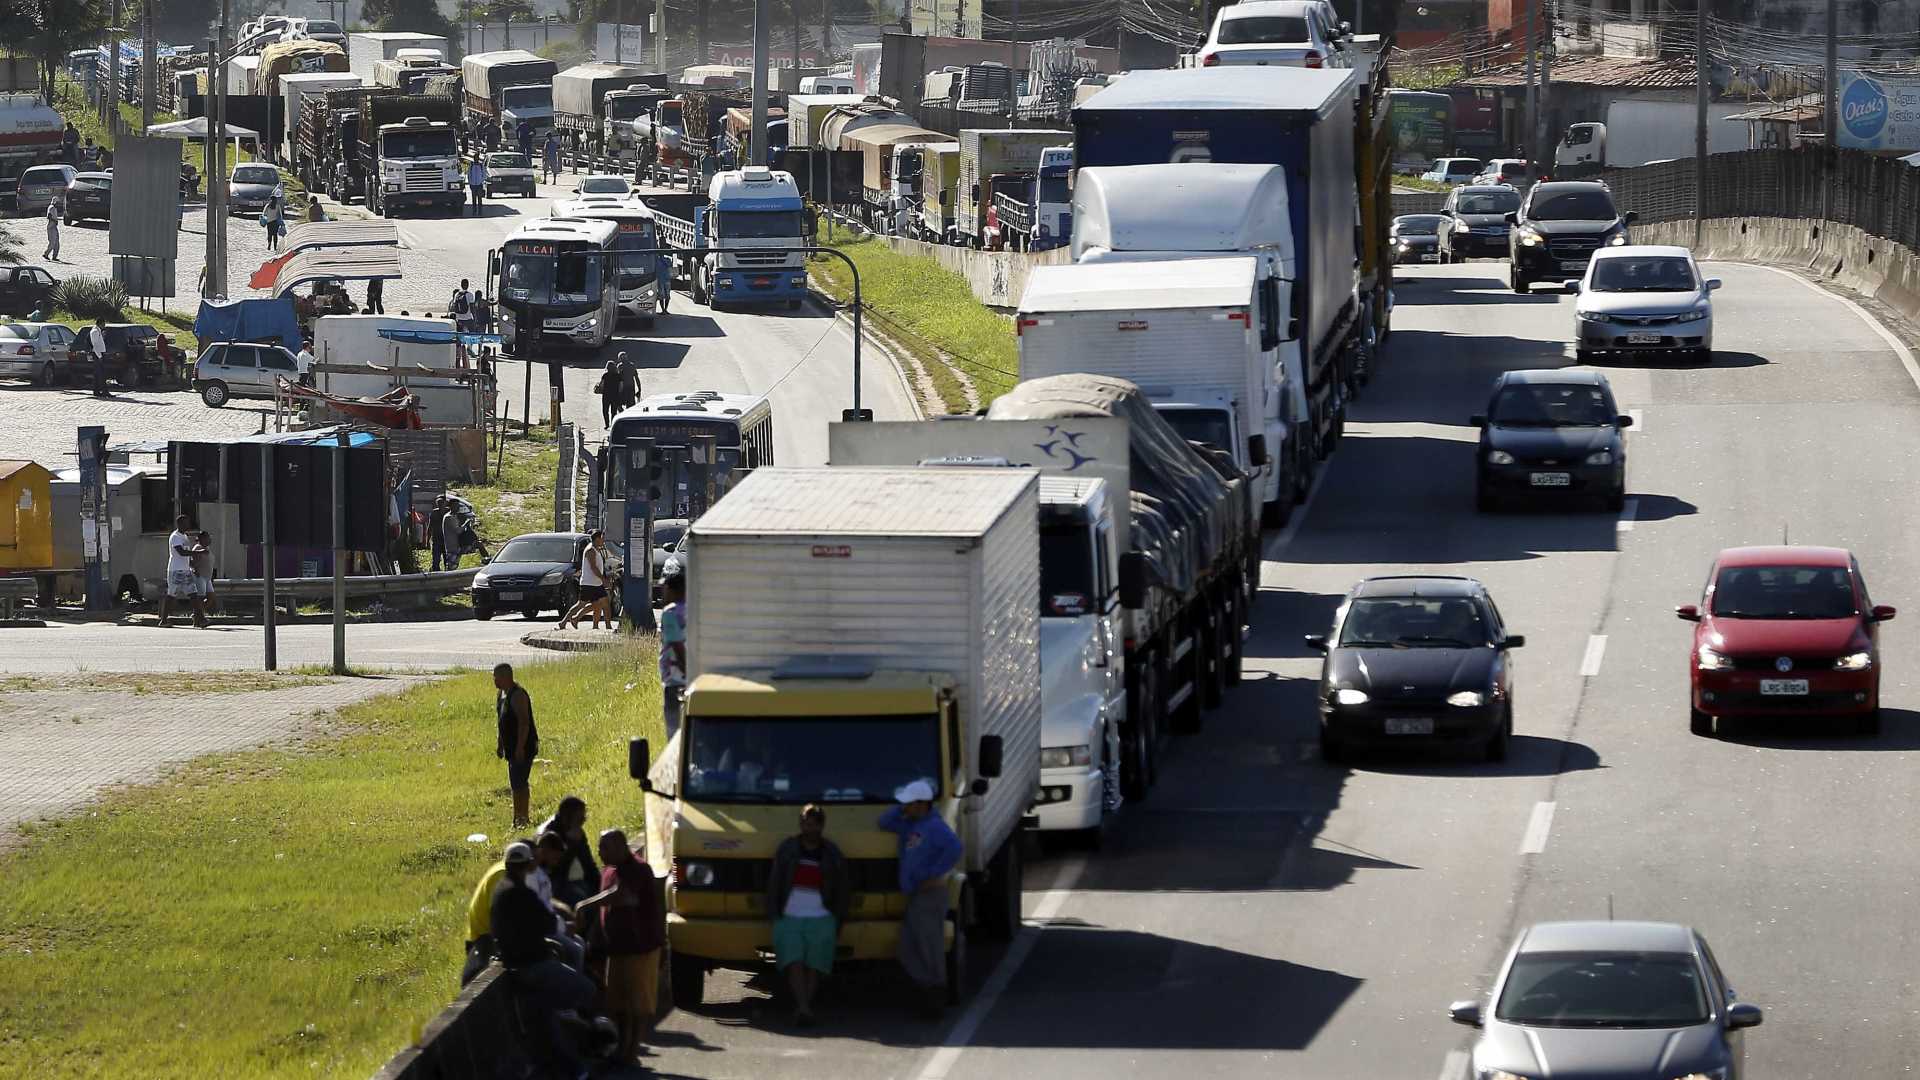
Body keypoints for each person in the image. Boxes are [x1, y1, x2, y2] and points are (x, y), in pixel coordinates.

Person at [491, 841, 600, 1078]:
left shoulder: (500, 890)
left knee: (545, 1022)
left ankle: (564, 1060)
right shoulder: (522, 894)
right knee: (587, 990)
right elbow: (547, 923)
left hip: (516, 965)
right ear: (530, 864)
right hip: (533, 965)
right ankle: (569, 1022)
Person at [576, 830, 662, 1066]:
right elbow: (605, 911)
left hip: (640, 948)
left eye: (605, 847)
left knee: (637, 1006)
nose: (600, 853)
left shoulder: (638, 869)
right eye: (599, 847)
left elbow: (622, 896)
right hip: (617, 948)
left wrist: (583, 905)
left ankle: (631, 1052)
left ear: (621, 847)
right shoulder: (609, 871)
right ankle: (620, 1050)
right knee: (617, 1005)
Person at [878, 779, 963, 1018]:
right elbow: (884, 821)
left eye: (909, 803)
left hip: (930, 893)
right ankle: (928, 988)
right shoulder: (911, 824)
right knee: (908, 947)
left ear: (921, 804)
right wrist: (902, 808)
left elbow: (955, 848)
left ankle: (935, 997)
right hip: (916, 894)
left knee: (929, 946)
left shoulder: (935, 826)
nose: (904, 807)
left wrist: (934, 874)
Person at [769, 804, 849, 1026]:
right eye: (804, 822)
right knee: (794, 960)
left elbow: (841, 888)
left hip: (821, 916)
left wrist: (839, 916)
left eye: (812, 824)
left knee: (814, 964)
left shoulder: (831, 853)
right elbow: (775, 881)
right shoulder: (787, 849)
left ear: (821, 826)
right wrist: (774, 912)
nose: (807, 827)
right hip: (790, 915)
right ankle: (804, 1008)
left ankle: (804, 1008)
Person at [531, 832, 589, 972]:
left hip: (550, 924)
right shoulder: (532, 875)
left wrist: (566, 915)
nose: (556, 862)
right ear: (545, 850)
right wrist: (563, 927)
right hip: (539, 930)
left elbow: (547, 903)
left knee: (580, 942)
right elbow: (539, 910)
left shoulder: (543, 874)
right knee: (575, 950)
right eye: (555, 857)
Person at [496, 663, 539, 828]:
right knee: (515, 782)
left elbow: (524, 723)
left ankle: (523, 817)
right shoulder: (501, 694)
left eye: (496, 677)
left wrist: (520, 747)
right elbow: (501, 721)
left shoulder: (518, 695)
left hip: (523, 746)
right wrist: (500, 744)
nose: (494, 680)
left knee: (520, 782)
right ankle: (518, 817)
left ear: (506, 677)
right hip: (510, 747)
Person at [537, 796, 599, 906]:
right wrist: (572, 844)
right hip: (550, 883)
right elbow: (554, 869)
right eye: (580, 819)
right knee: (580, 900)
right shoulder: (548, 836)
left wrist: (600, 886)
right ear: (566, 817)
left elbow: (588, 863)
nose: (583, 822)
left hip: (568, 879)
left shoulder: (575, 831)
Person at [558, 530, 612, 630]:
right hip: (589, 583)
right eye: (602, 538)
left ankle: (597, 626)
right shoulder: (590, 550)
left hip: (596, 583)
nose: (603, 540)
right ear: (597, 538)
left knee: (600, 605)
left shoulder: (596, 549)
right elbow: (593, 567)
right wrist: (603, 579)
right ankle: (565, 621)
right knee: (582, 604)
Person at [159, 515, 206, 628]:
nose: (188, 525)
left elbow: (186, 554)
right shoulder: (175, 537)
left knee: (193, 594)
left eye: (188, 523)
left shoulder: (184, 536)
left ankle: (200, 619)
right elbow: (181, 552)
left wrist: (192, 566)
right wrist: (199, 553)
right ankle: (163, 620)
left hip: (185, 570)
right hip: (176, 570)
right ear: (179, 524)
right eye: (185, 523)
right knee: (171, 595)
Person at [658, 573, 688, 739]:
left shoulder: (670, 612)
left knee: (674, 731)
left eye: (666, 588)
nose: (664, 592)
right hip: (694, 678)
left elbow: (676, 644)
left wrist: (685, 668)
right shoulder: (693, 610)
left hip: (675, 678)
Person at [192, 529, 217, 615]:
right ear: (201, 539)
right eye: (207, 538)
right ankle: (199, 615)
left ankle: (198, 614)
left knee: (211, 597)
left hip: (207, 577)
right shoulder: (198, 548)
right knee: (201, 597)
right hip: (200, 576)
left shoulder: (207, 548)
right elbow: (191, 562)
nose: (209, 540)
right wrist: (195, 570)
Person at [86, 317, 109, 398]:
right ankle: (104, 391)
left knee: (98, 374)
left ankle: (97, 391)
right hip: (97, 354)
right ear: (100, 323)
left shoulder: (99, 331)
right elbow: (95, 345)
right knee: (101, 374)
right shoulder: (95, 331)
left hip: (99, 353)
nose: (104, 325)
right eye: (104, 324)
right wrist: (99, 356)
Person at [594, 359, 620, 426]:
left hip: (606, 395)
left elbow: (602, 385)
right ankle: (613, 424)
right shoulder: (618, 375)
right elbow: (621, 386)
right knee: (614, 411)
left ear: (607, 367)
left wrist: (599, 388)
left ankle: (607, 424)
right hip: (615, 395)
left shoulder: (605, 375)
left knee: (605, 410)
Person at [428, 495, 450, 572]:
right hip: (436, 539)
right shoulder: (434, 513)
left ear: (445, 503)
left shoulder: (449, 512)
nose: (440, 505)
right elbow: (430, 526)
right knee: (436, 559)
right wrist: (428, 539)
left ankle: (448, 575)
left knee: (447, 560)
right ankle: (436, 573)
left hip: (447, 540)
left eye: (442, 503)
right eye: (438, 503)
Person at [442, 500, 466, 569]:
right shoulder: (449, 517)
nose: (458, 508)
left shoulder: (454, 516)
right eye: (456, 506)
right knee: (451, 567)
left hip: (457, 545)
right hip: (452, 546)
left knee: (454, 566)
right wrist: (465, 524)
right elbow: (458, 531)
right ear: (451, 507)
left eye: (458, 506)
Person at [43, 197, 60, 261]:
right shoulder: (51, 208)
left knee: (57, 243)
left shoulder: (54, 208)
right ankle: (46, 254)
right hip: (51, 226)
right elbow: (49, 216)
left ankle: (54, 256)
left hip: (54, 226)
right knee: (52, 242)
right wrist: (54, 221)